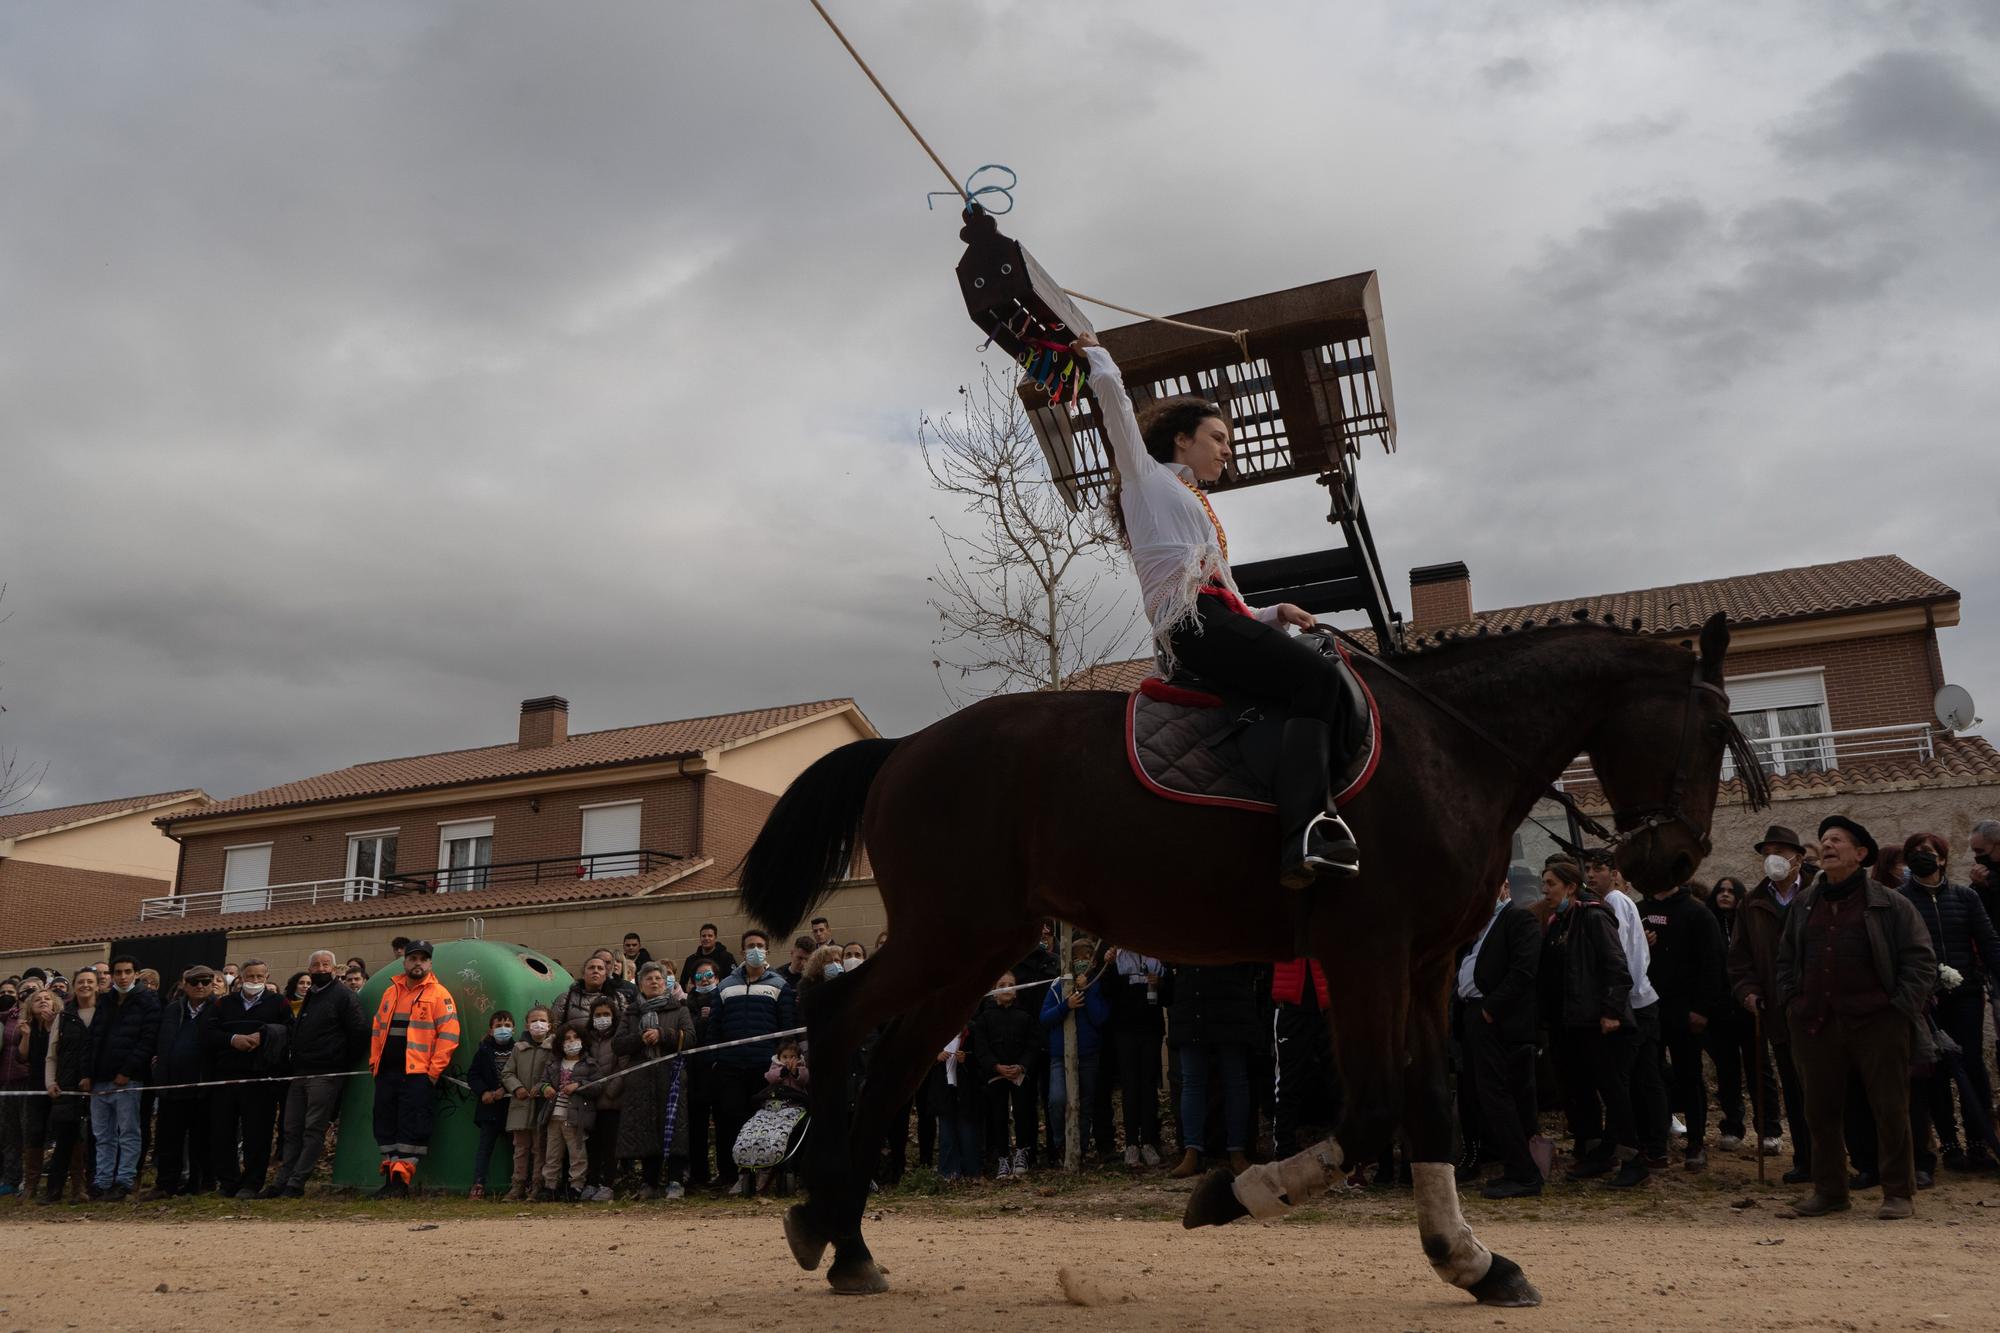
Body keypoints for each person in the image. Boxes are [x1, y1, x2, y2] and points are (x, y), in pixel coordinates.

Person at [1072, 330, 1359, 885]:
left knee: (1310, 672)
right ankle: (1306, 829)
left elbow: (1231, 598)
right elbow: (1115, 407)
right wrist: (1098, 356)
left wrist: (1277, 614)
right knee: (1319, 680)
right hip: (1194, 625)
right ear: (1182, 440)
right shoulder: (1146, 479)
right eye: (1218, 437)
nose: (1228, 449)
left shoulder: (1195, 504)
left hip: (1214, 620)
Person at [1778, 815, 1936, 1219]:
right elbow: (1786, 961)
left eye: (1837, 840)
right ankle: (1830, 1192)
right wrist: (1793, 1001)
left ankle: (1898, 1192)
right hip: (1816, 1023)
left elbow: (1919, 961)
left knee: (1889, 1108)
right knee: (1820, 1110)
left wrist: (1899, 1008)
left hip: (1878, 1023)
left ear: (1861, 854)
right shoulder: (1803, 904)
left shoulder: (1889, 902)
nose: (1827, 845)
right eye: (1824, 840)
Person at [1897, 831, 2000, 1173]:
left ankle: (1978, 1144)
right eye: (1913, 852)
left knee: (1972, 1068)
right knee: (1935, 1073)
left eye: (1927, 852)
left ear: (1942, 858)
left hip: (1966, 996)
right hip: (1926, 1003)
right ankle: (1950, 1144)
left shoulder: (1965, 897)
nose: (1920, 857)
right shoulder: (1900, 901)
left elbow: (1988, 941)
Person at [1542, 861, 1644, 1187]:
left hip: (1598, 1022)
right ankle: (1594, 1153)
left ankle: (1632, 1158)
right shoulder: (1558, 922)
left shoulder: (1594, 917)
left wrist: (1611, 1011)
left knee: (1612, 1091)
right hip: (1568, 1024)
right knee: (1577, 1090)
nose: (1545, 890)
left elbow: (1616, 966)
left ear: (1570, 887)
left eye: (1550, 883)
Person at [1732, 824, 1815, 1182]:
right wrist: (1748, 990)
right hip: (1778, 1011)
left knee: (1829, 1087)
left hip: (1820, 1008)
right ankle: (1807, 1160)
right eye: (1767, 853)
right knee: (1794, 1090)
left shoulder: (1818, 893)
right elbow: (1739, 957)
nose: (1773, 859)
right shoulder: (1751, 902)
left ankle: (1851, 1157)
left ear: (1798, 858)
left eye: (1780, 852)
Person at [1458, 880, 1544, 1198]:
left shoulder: (1518, 919)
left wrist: (1491, 1010)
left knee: (1497, 1095)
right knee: (1482, 1096)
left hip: (1496, 1020)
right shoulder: (1480, 925)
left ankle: (1524, 1174)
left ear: (1505, 887)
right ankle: (1513, 1168)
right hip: (1475, 1017)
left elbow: (1523, 971)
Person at [1641, 877, 1728, 1171]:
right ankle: (1655, 1140)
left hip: (1685, 1011)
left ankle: (1696, 1143)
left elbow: (1713, 964)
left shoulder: (1697, 913)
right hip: (1648, 1010)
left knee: (1689, 1075)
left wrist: (1703, 1009)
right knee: (1650, 1076)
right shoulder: (1640, 909)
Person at [1587, 852, 1668, 1168]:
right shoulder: (1613, 902)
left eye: (1599, 869)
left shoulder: (1616, 901)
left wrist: (1616, 1005)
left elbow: (1621, 958)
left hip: (1633, 1003)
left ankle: (1627, 1148)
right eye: (1588, 869)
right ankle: (1653, 1146)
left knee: (1621, 1080)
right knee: (1646, 1077)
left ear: (1614, 873)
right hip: (1639, 1000)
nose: (1591, 875)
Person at [268, 949, 368, 1197]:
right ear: (309, 968)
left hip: (326, 1074)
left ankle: (296, 1182)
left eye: (326, 965)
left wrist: (339, 1061)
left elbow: (359, 1033)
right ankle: (282, 1179)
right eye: (316, 965)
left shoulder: (343, 996)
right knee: (291, 1128)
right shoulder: (311, 994)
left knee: (313, 1129)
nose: (321, 969)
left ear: (335, 969)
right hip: (300, 1072)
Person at [366, 940, 461, 1197]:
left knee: (412, 1128)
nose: (417, 963)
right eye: (413, 958)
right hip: (387, 1072)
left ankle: (401, 1183)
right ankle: (389, 1179)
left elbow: (449, 1037)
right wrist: (375, 1063)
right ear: (405, 961)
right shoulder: (391, 992)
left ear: (430, 963)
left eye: (423, 959)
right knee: (384, 1124)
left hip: (417, 1074)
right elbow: (377, 1030)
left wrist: (432, 1072)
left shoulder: (439, 995)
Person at [711, 931, 796, 1195]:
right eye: (750, 946)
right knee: (732, 1120)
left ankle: (767, 1171)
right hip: (731, 1066)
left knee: (764, 1121)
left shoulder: (780, 985)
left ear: (767, 951)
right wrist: (715, 1061)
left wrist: (782, 1062)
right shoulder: (725, 986)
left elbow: (787, 1030)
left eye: (760, 946)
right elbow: (714, 1028)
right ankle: (740, 1174)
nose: (755, 950)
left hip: (764, 1067)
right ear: (742, 951)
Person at [1162, 961, 1261, 1179]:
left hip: (1231, 1007)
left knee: (1235, 1082)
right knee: (1193, 1082)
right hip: (1192, 1007)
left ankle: (1237, 1150)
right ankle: (1192, 1151)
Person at [1704, 877, 1780, 1153]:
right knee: (1727, 1071)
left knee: (1759, 1068)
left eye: (1730, 891)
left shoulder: (1749, 922)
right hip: (1720, 1011)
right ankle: (1732, 1126)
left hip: (1748, 1008)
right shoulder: (1708, 923)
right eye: (1720, 890)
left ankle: (1770, 1129)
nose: (1725, 895)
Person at [208, 958, 292, 1198]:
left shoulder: (278, 1002)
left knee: (258, 1133)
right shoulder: (224, 1004)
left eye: (259, 977)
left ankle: (252, 1183)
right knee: (223, 1132)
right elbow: (210, 1032)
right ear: (240, 978)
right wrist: (232, 1039)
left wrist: (264, 1035)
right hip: (227, 1077)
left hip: (260, 1078)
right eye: (249, 977)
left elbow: (289, 1030)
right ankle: (228, 1181)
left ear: (267, 978)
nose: (254, 981)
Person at [615, 961, 697, 1198]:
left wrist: (663, 1034)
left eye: (658, 979)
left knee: (675, 1129)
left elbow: (690, 1038)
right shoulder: (630, 1013)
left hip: (671, 1077)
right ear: (640, 984)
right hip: (640, 1079)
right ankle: (649, 1182)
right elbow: (618, 1045)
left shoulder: (679, 1009)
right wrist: (641, 1038)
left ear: (666, 983)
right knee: (645, 1130)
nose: (654, 982)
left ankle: (674, 1180)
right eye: (648, 979)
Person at [82, 954, 159, 1200]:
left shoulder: (148, 1001)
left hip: (129, 1080)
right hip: (99, 1079)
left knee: (128, 1132)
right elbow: (92, 1039)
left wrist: (127, 1071)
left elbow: (147, 1041)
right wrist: (87, 1073)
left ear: (136, 974)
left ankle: (125, 1180)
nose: (123, 976)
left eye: (127, 971)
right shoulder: (104, 1001)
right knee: (102, 1135)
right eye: (118, 972)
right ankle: (102, 1180)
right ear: (112, 975)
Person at [146, 966, 215, 1199]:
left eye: (205, 981)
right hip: (171, 1085)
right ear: (184, 984)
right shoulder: (173, 1010)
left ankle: (200, 1184)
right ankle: (166, 1185)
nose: (200, 986)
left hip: (203, 1086)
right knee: (168, 1139)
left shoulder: (220, 1009)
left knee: (201, 1140)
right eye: (194, 982)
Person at [1042, 940, 1112, 1162]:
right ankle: (1061, 1144)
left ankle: (1079, 1148)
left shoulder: (1098, 984)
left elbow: (1100, 1018)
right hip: (1059, 1056)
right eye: (1077, 958)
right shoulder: (1058, 986)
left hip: (1089, 1054)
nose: (1081, 962)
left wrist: (1087, 991)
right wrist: (1066, 1005)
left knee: (1084, 1102)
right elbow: (1045, 1018)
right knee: (1057, 1099)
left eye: (1086, 957)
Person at [971, 972, 1039, 1176]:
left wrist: (1021, 1066)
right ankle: (1002, 1157)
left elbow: (1033, 1045)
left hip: (1019, 1073)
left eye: (1011, 985)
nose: (1007, 988)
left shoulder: (1025, 1017)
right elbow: (981, 1048)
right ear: (994, 992)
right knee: (998, 1116)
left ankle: (1022, 1152)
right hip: (995, 1074)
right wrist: (996, 1066)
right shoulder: (985, 1018)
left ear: (1016, 992)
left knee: (1022, 1112)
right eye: (1002, 984)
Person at [41, 969, 99, 1204]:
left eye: (90, 982)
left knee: (94, 1140)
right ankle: (53, 1191)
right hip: (66, 1085)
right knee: (65, 1140)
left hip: (97, 1085)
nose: (85, 985)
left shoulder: (105, 1013)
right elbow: (51, 1055)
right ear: (74, 986)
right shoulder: (64, 1017)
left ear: (97, 986)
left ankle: (91, 1188)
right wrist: (50, 1082)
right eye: (81, 982)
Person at [1106, 948, 1166, 1167]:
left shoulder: (1158, 954)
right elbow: (1107, 991)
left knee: (1148, 1085)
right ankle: (1131, 1143)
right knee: (1129, 1085)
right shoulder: (1115, 954)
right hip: (1124, 1029)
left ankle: (1149, 1141)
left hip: (1151, 1028)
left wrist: (1159, 983)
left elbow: (1170, 995)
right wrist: (1110, 966)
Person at [500, 1005, 556, 1201]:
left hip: (543, 1105)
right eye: (534, 1021)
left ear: (550, 1025)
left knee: (539, 1148)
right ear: (526, 1024)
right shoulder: (519, 1048)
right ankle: (517, 1185)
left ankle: (537, 1185)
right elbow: (507, 1073)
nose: (538, 1024)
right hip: (521, 1106)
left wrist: (543, 1087)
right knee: (520, 1148)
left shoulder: (553, 1048)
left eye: (542, 1020)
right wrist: (516, 1088)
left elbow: (556, 1073)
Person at [539, 1021, 600, 1201]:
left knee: (577, 1154)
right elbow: (540, 1082)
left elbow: (598, 1085)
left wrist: (579, 1085)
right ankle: (550, 1186)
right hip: (554, 1116)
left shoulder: (590, 1064)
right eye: (567, 1038)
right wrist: (545, 1089)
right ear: (560, 1043)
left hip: (576, 1117)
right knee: (552, 1154)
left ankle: (576, 1186)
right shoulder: (553, 1064)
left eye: (575, 1037)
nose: (571, 1041)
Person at [578, 995, 626, 1201]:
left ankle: (608, 1184)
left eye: (606, 1014)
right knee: (592, 1145)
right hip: (590, 1101)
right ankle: (591, 1182)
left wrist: (609, 1090)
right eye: (598, 1015)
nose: (602, 1018)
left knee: (610, 1145)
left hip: (611, 1100)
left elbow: (624, 1067)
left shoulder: (619, 1038)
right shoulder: (586, 1039)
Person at [466, 1009, 516, 1200]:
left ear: (514, 1028)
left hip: (512, 1109)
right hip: (489, 1110)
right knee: (485, 1148)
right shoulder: (484, 1051)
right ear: (490, 1030)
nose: (503, 1029)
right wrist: (484, 1092)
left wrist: (505, 1089)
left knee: (516, 1148)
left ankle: (519, 1183)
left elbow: (521, 1074)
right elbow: (473, 1075)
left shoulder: (518, 1049)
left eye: (507, 1025)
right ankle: (478, 1183)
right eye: (498, 1026)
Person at [683, 960, 723, 1188]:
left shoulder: (723, 999)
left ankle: (725, 1171)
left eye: (708, 975)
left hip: (717, 1069)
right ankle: (699, 1174)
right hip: (695, 1071)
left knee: (722, 1123)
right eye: (699, 977)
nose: (704, 980)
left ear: (717, 977)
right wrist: (701, 1020)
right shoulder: (687, 1003)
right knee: (696, 1126)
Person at [18, 988, 60, 1201]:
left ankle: (62, 1183)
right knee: (34, 1131)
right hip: (35, 1086)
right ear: (30, 1006)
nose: (43, 1002)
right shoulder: (29, 1027)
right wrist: (26, 1035)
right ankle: (31, 1184)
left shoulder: (62, 1023)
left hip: (60, 1085)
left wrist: (53, 1026)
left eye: (47, 999)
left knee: (63, 1131)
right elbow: (23, 1056)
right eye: (38, 999)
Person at [550, 954, 629, 1032]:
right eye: (591, 968)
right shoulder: (565, 999)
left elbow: (627, 1027)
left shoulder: (618, 998)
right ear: (583, 975)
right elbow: (553, 1029)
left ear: (605, 976)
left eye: (600, 968)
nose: (595, 971)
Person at [0, 977, 26, 1196]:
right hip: (7, 1081)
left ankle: (28, 1179)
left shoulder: (44, 1015)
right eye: (23, 990)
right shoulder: (8, 1017)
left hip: (30, 1082)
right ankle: (10, 1178)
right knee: (9, 1133)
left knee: (29, 1132)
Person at [683, 924, 736, 991]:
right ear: (700, 938)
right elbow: (683, 984)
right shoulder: (691, 960)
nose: (706, 938)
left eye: (710, 936)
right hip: (696, 999)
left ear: (715, 938)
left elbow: (733, 980)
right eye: (703, 936)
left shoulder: (727, 957)